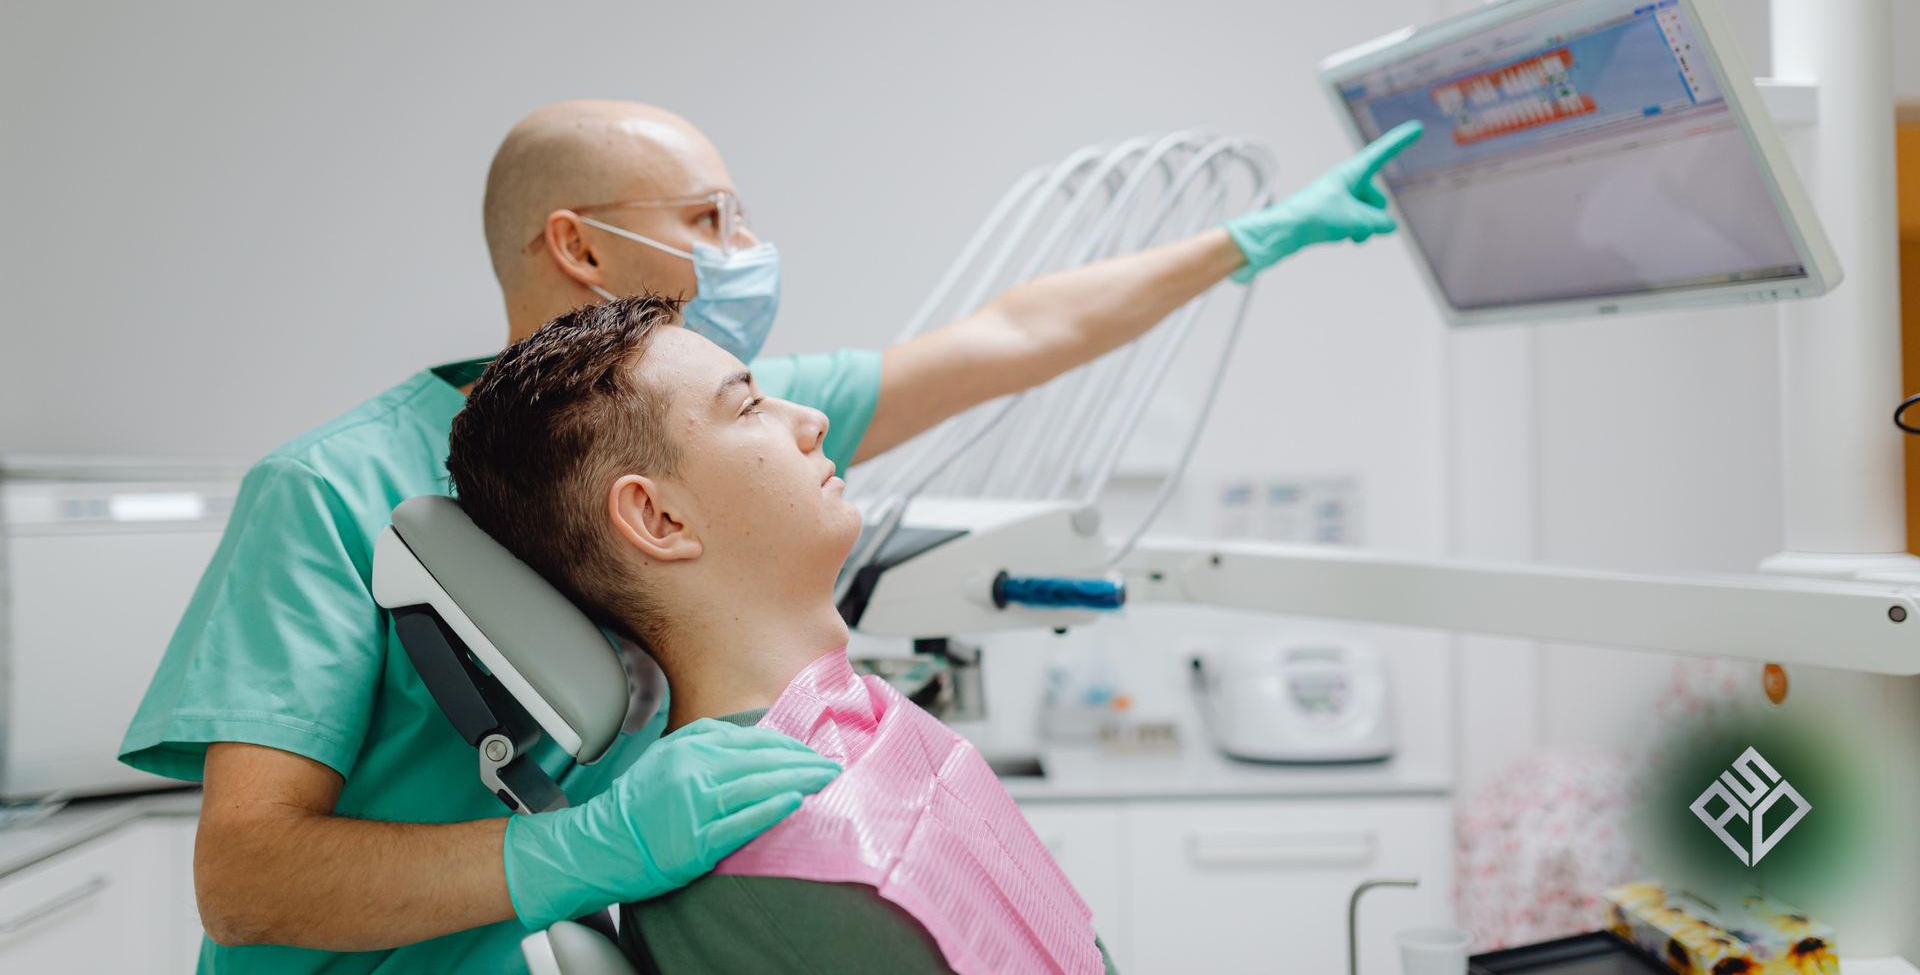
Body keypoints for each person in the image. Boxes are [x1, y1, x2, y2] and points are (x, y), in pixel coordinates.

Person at [120, 97, 1419, 974]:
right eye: (707, 222)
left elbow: (1013, 337)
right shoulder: (333, 492)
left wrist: (1251, 242)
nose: (746, 255)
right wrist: (581, 847)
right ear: (577, 244)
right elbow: (248, 878)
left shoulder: (715, 424)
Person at [447, 294, 1118, 975]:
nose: (813, 421)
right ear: (660, 518)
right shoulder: (762, 844)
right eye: (748, 407)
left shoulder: (861, 731)